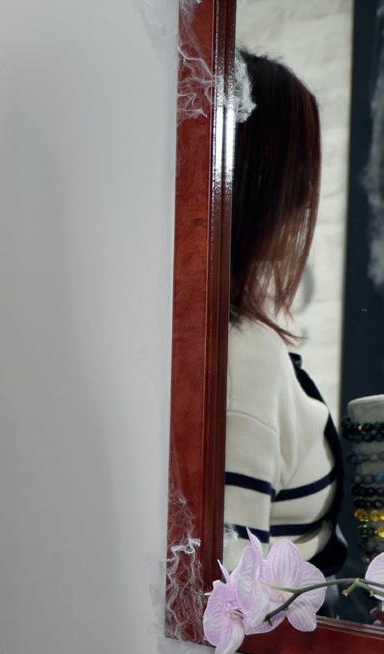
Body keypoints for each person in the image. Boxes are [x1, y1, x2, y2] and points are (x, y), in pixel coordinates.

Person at [222, 49, 347, 581]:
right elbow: (232, 592)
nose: (304, 206)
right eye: (298, 183)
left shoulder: (235, 343)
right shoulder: (244, 355)